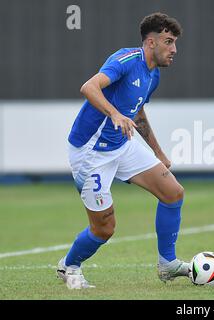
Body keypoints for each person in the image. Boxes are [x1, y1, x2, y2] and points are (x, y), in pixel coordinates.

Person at [57, 13, 188, 289]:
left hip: (122, 144)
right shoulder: (126, 60)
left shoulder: (153, 76)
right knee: (104, 229)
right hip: (90, 153)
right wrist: (115, 114)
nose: (174, 49)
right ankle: (69, 265)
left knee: (173, 193)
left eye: (175, 42)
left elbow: (137, 110)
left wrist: (157, 152)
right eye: (168, 41)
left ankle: (168, 263)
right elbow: (89, 87)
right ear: (150, 43)